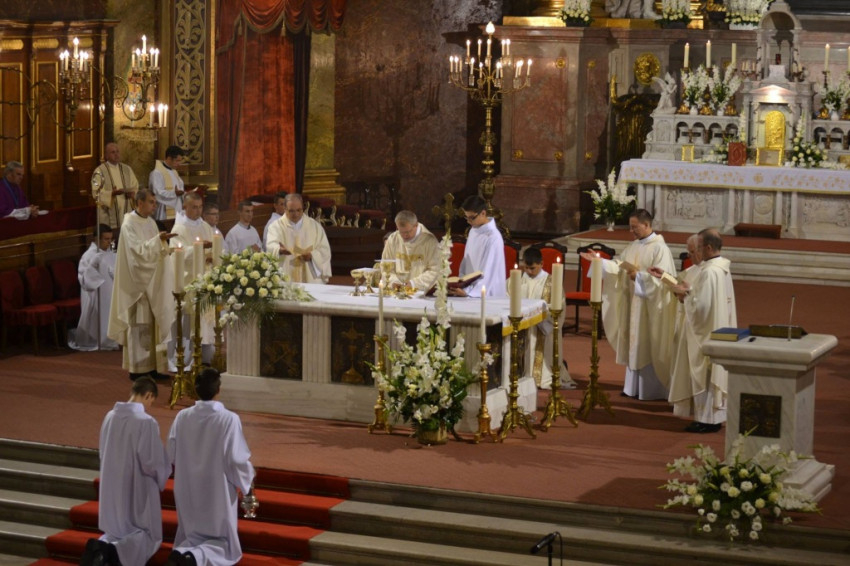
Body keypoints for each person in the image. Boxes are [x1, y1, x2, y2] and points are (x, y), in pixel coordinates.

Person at [166, 368, 255, 566]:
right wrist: (247, 482)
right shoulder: (228, 419)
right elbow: (236, 459)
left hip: (188, 485)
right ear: (218, 390)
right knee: (222, 541)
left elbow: (171, 452)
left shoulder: (182, 416)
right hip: (216, 487)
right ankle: (192, 558)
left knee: (192, 534)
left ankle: (183, 553)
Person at [653, 229, 737, 433]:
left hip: (705, 332)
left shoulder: (710, 272)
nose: (695, 253)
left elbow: (702, 307)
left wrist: (684, 296)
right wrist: (670, 280)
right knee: (707, 375)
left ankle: (708, 420)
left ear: (708, 247)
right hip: (715, 328)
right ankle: (707, 418)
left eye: (698, 248)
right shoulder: (719, 267)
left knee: (704, 374)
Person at [80, 377, 170, 566]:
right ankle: (114, 553)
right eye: (151, 402)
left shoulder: (110, 416)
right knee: (144, 533)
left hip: (112, 482)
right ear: (148, 395)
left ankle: (102, 549)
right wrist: (163, 472)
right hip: (137, 484)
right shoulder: (146, 422)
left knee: (115, 530)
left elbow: (103, 450)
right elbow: (151, 461)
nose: (149, 407)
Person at [595, 208, 677, 400]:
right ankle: (632, 388)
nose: (631, 231)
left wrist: (638, 277)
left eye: (634, 227)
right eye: (630, 227)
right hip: (633, 303)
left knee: (647, 343)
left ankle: (652, 391)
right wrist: (601, 263)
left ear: (647, 225)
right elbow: (620, 265)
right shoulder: (633, 246)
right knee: (634, 342)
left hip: (650, 307)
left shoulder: (660, 249)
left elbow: (663, 280)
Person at [107, 189, 176, 381]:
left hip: (153, 283)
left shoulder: (151, 222)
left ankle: (153, 368)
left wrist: (163, 245)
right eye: (151, 202)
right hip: (137, 285)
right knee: (139, 326)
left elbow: (154, 249)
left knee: (153, 325)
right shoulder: (129, 223)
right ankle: (137, 370)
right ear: (139, 203)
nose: (155, 206)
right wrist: (158, 241)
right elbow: (136, 253)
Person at [513, 247, 576, 390]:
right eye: (526, 267)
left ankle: (541, 376)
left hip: (543, 327)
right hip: (523, 326)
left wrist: (538, 313)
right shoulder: (517, 279)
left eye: (532, 268)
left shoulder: (551, 282)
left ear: (541, 264)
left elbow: (559, 306)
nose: (529, 271)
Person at [169, 192, 215, 370]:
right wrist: (198, 248)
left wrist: (210, 255)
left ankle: (205, 357)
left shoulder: (206, 226)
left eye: (200, 207)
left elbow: (212, 249)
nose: (198, 211)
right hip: (188, 281)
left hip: (205, 279)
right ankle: (186, 360)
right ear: (185, 207)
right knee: (188, 320)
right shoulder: (179, 229)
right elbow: (177, 254)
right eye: (194, 207)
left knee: (206, 320)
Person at [70, 225, 119, 351]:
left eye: (111, 239)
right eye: (106, 239)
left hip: (110, 291)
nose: (109, 242)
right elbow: (84, 279)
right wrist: (92, 266)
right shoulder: (88, 256)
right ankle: (100, 340)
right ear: (97, 239)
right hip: (97, 294)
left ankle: (113, 338)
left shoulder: (111, 252)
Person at [266, 193, 331, 283]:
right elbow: (270, 245)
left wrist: (312, 256)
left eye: (298, 210)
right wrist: (279, 250)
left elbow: (324, 250)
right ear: (285, 209)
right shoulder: (276, 226)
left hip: (309, 276)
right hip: (286, 274)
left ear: (303, 208)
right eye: (291, 211)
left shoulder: (314, 226)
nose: (296, 214)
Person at [449, 195, 506, 298]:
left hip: (486, 293)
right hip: (469, 289)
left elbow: (488, 272)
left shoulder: (493, 237)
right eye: (466, 217)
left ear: (483, 213)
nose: (468, 221)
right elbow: (466, 261)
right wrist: (461, 284)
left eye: (472, 218)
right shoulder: (473, 231)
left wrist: (469, 293)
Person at [380, 210, 440, 291]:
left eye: (408, 231)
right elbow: (386, 267)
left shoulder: (430, 241)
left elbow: (435, 270)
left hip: (420, 293)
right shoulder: (393, 239)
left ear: (416, 225)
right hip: (397, 292)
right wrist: (394, 282)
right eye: (401, 232)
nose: (405, 235)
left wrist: (413, 283)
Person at [92, 142, 139, 230]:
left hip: (127, 210)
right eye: (113, 152)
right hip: (109, 215)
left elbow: (135, 186)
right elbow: (96, 192)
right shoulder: (99, 171)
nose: (116, 155)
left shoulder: (127, 169)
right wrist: (112, 194)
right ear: (106, 156)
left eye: (117, 151)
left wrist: (133, 194)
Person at [149, 145, 187, 221]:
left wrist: (185, 194)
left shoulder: (174, 172)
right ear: (169, 158)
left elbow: (180, 189)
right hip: (164, 211)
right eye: (177, 161)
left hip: (177, 209)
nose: (179, 163)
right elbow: (157, 194)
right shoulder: (157, 173)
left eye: (180, 161)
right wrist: (174, 193)